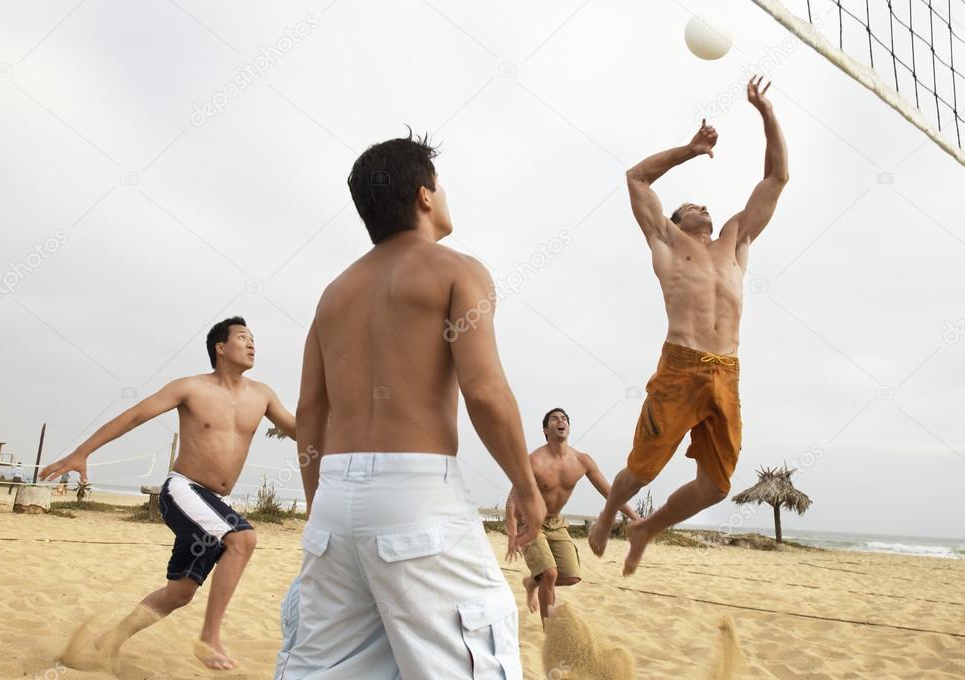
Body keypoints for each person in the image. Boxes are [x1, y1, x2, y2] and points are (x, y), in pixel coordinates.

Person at [274, 132, 546, 679]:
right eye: (439, 185)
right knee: (473, 658)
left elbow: (310, 411)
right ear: (424, 195)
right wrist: (526, 484)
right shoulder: (457, 270)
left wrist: (319, 505)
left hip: (334, 498)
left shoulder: (334, 293)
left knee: (327, 667)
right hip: (416, 495)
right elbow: (485, 393)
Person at [588, 76, 789, 575]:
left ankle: (646, 529)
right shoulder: (667, 241)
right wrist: (691, 150)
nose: (703, 206)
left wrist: (765, 113)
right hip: (680, 366)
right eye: (692, 205)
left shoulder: (735, 240)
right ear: (677, 220)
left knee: (717, 486)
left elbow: (777, 179)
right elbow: (636, 178)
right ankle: (611, 512)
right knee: (639, 472)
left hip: (727, 372)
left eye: (705, 205)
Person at [40, 316, 296, 671]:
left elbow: (301, 431)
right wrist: (82, 452)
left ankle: (106, 643)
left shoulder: (263, 394)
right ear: (220, 348)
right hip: (183, 490)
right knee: (244, 539)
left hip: (214, 504)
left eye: (254, 338)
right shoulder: (190, 388)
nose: (252, 344)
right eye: (243, 337)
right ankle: (209, 638)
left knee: (180, 592)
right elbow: (134, 416)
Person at [505, 408, 638, 622]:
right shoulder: (533, 461)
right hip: (529, 523)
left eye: (564, 419)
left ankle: (532, 582)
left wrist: (634, 516)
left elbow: (610, 493)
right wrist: (512, 533)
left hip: (556, 522)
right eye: (555, 419)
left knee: (571, 577)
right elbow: (513, 498)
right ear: (545, 430)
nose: (561, 421)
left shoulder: (582, 461)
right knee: (550, 573)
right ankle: (551, 633)